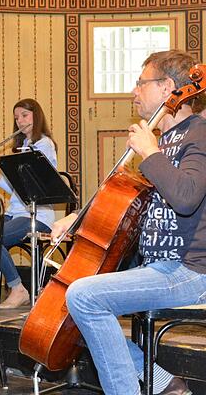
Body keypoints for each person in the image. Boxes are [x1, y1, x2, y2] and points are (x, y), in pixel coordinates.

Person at [52, 50, 206, 395]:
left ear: (167, 87)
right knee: (76, 299)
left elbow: (186, 197)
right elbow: (131, 204)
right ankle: (166, 384)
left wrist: (151, 154)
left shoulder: (200, 133)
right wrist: (78, 218)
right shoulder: (161, 139)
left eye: (141, 83)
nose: (134, 92)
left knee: (85, 297)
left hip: (191, 271)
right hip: (158, 268)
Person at [0, 99, 58, 308]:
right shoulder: (22, 146)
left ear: (35, 116)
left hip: (37, 216)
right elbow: (16, 188)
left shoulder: (44, 145)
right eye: (16, 117)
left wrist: (1, 160)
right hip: (17, 212)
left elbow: (35, 184)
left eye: (24, 115)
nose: (20, 121)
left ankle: (17, 288)